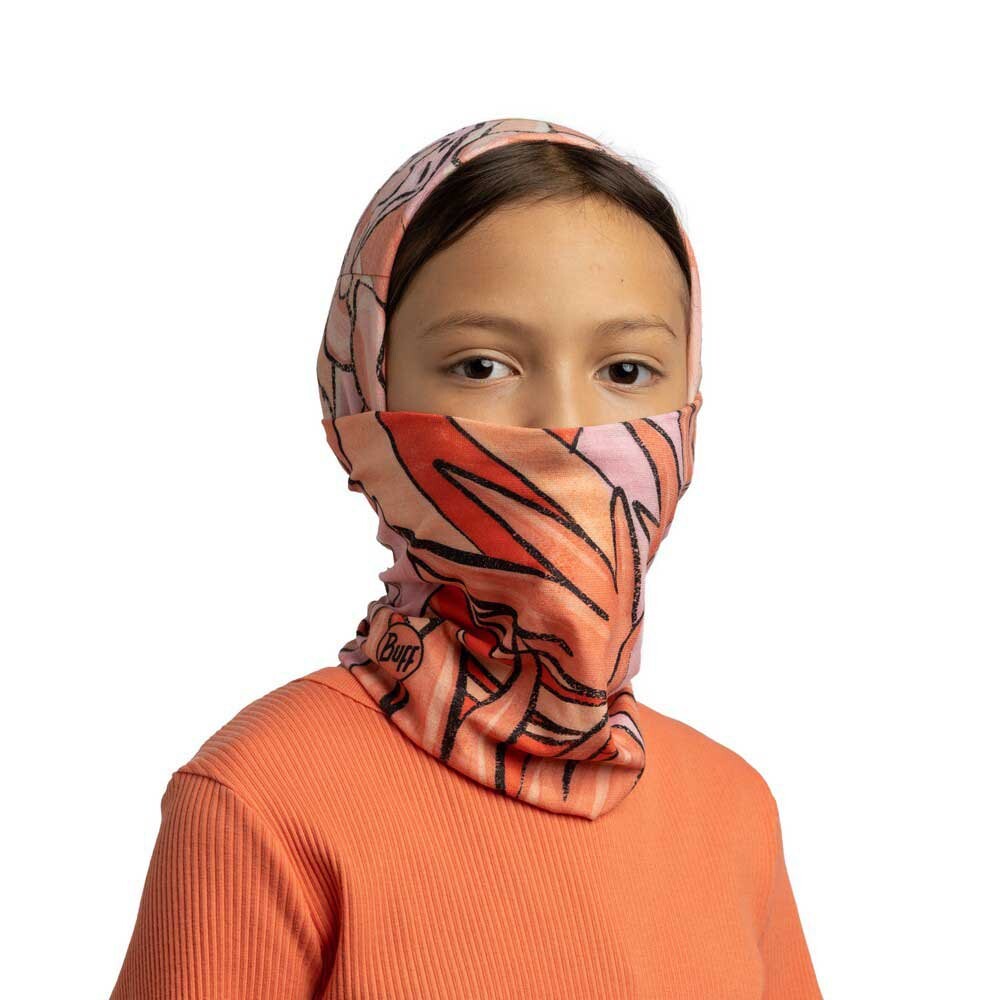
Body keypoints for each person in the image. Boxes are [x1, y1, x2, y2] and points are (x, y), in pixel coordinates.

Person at [109, 117, 823, 999]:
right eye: (482, 366)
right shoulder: (261, 799)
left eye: (627, 372)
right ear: (364, 394)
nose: (564, 425)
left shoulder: (734, 810)